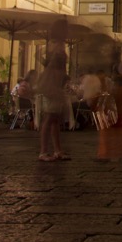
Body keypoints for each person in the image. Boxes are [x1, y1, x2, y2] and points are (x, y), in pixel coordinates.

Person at [37, 19, 70, 162]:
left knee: (55, 119)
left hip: (57, 84)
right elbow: (44, 58)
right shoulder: (55, 44)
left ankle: (58, 150)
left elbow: (49, 63)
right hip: (52, 85)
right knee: (49, 118)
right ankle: (43, 151)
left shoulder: (59, 43)